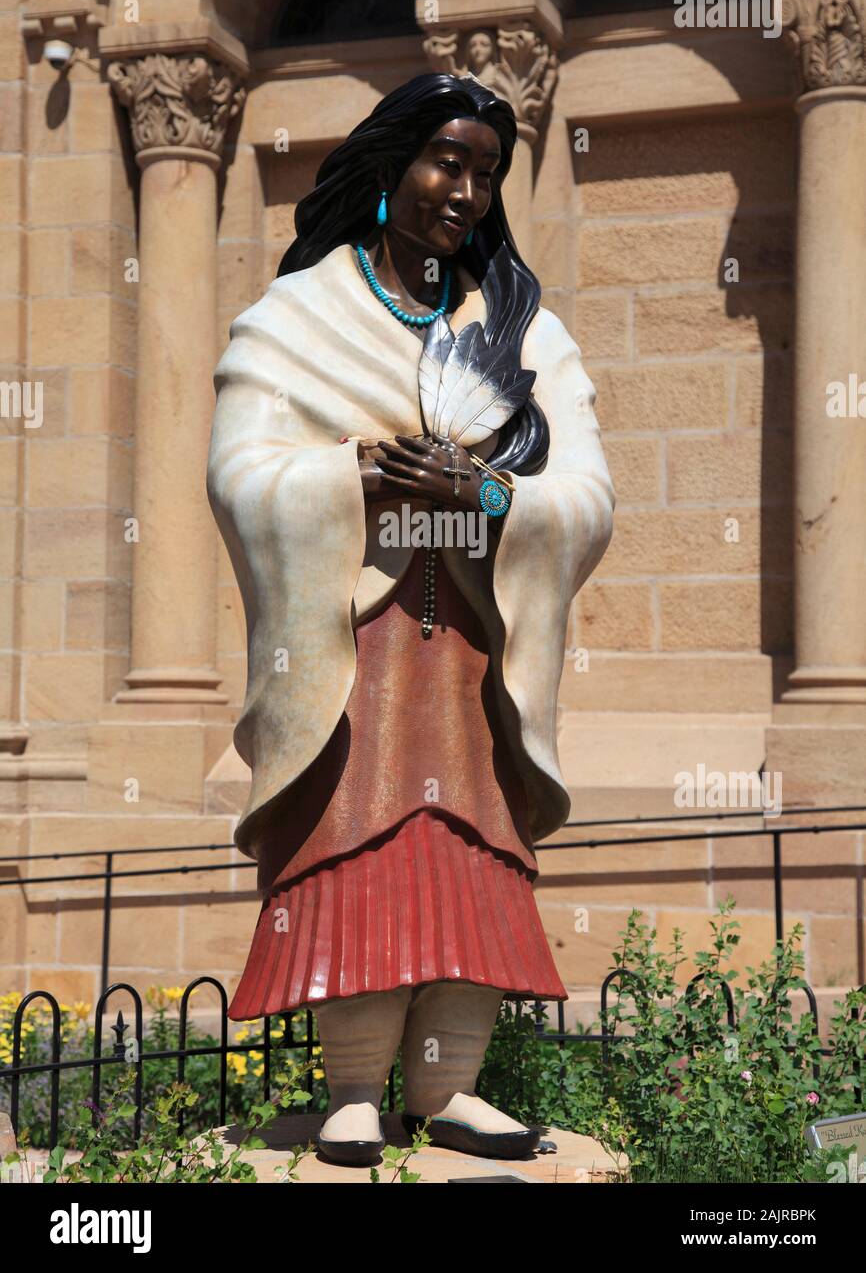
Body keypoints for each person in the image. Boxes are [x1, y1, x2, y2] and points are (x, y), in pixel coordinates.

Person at [206, 72, 615, 1166]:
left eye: (484, 172)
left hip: (473, 648)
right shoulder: (296, 318)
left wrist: (484, 495)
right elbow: (239, 473)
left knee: (470, 849)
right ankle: (350, 1093)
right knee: (355, 847)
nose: (465, 190)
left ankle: (448, 1090)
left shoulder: (524, 332)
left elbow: (585, 498)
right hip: (359, 651)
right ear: (388, 170)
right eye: (446, 160)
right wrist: (356, 478)